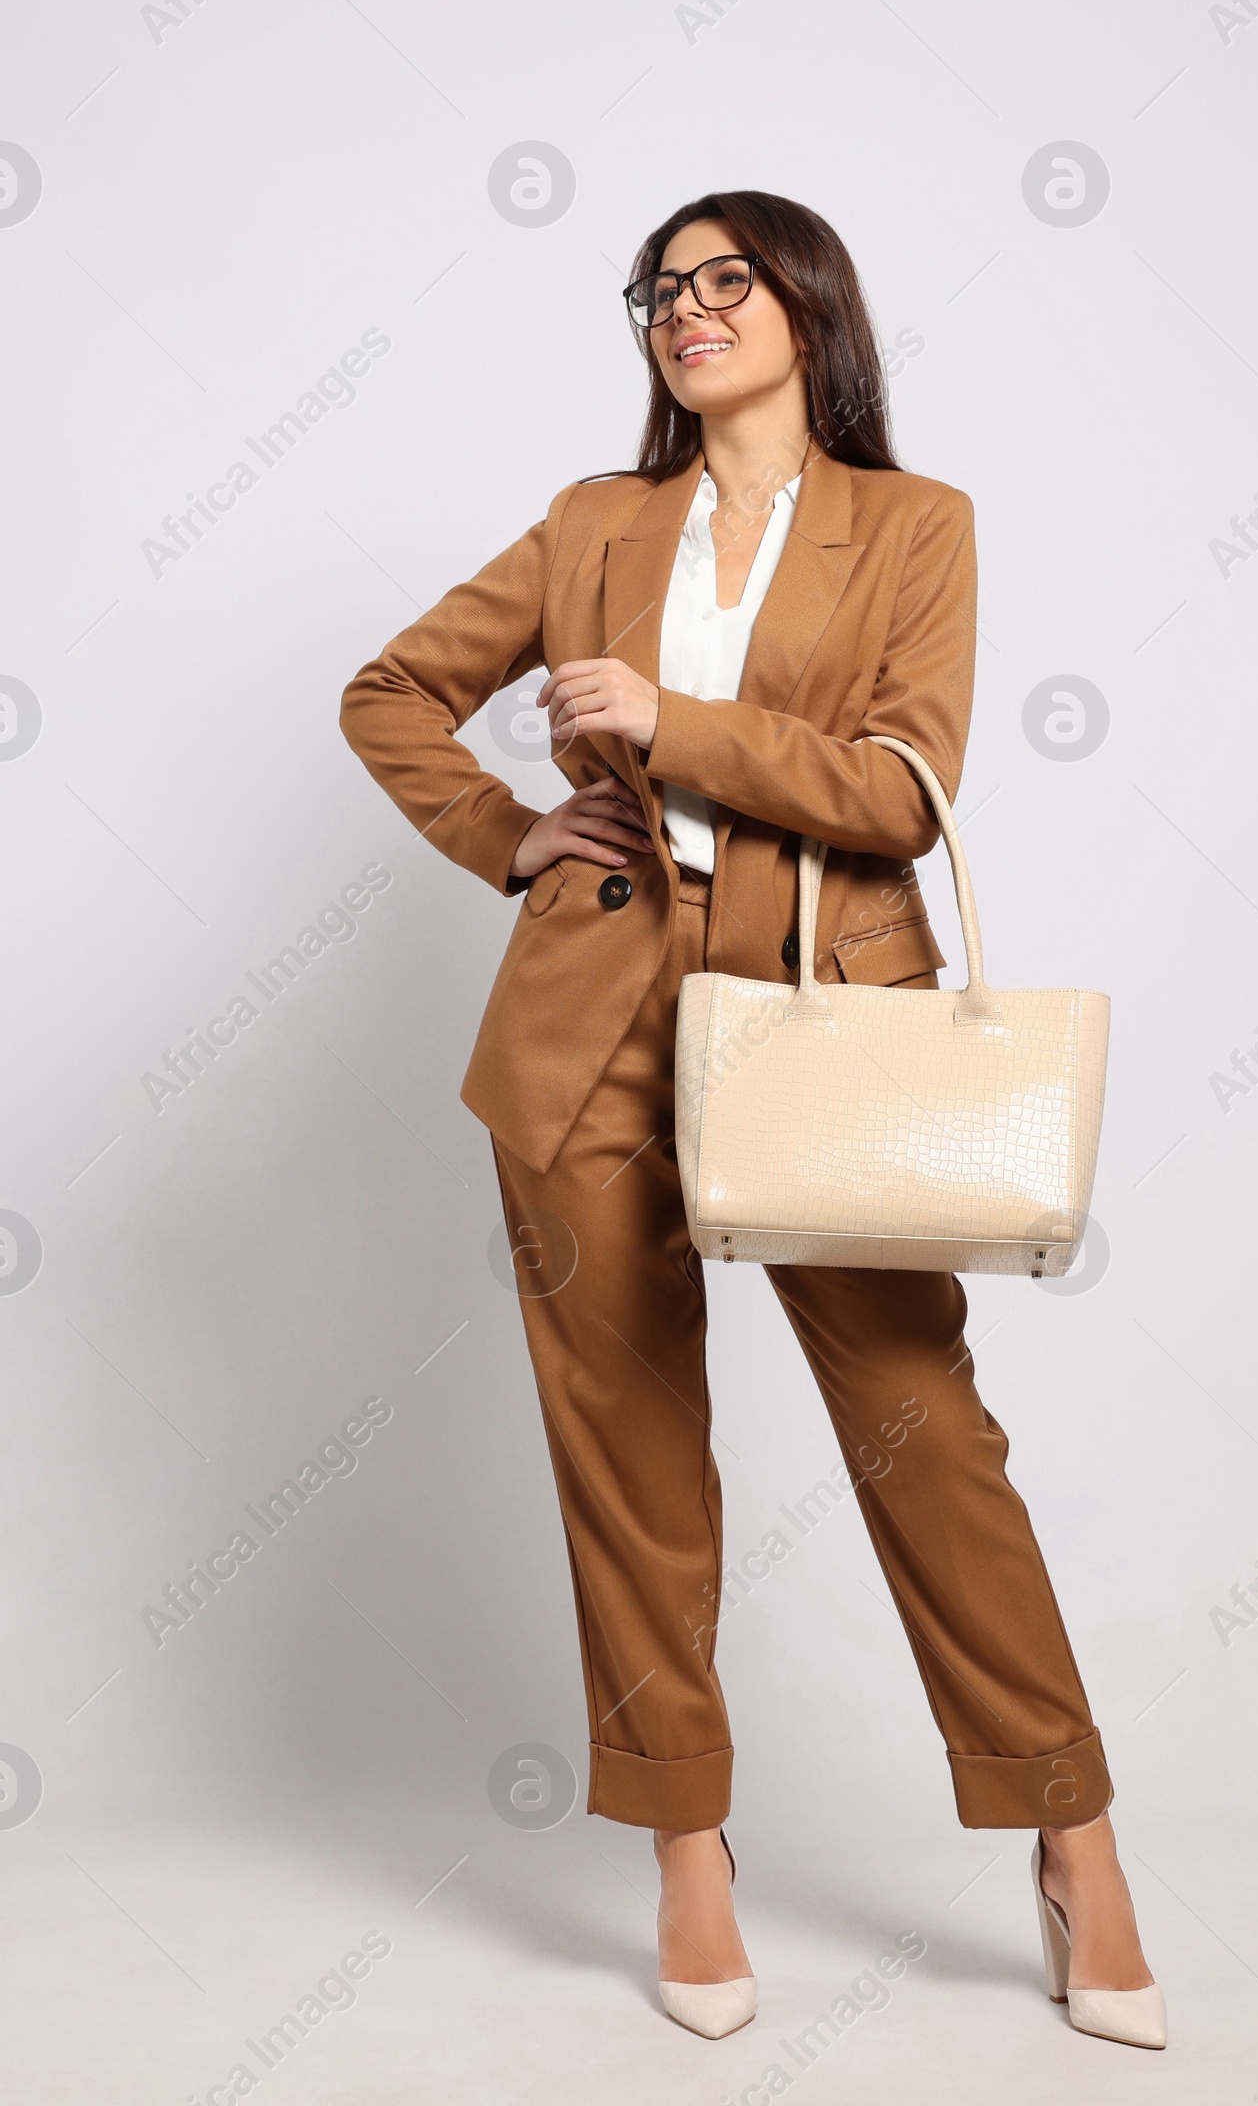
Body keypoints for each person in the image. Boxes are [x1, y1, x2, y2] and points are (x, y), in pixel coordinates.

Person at [339, 189, 1164, 2051]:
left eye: (726, 279)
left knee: (924, 1432)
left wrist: (676, 722)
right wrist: (514, 835)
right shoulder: (592, 524)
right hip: (587, 1029)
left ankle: (1072, 1830)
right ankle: (686, 1850)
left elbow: (899, 785)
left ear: (808, 307)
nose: (687, 308)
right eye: (661, 288)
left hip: (827, 1019)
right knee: (629, 1461)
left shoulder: (915, 525)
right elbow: (389, 693)